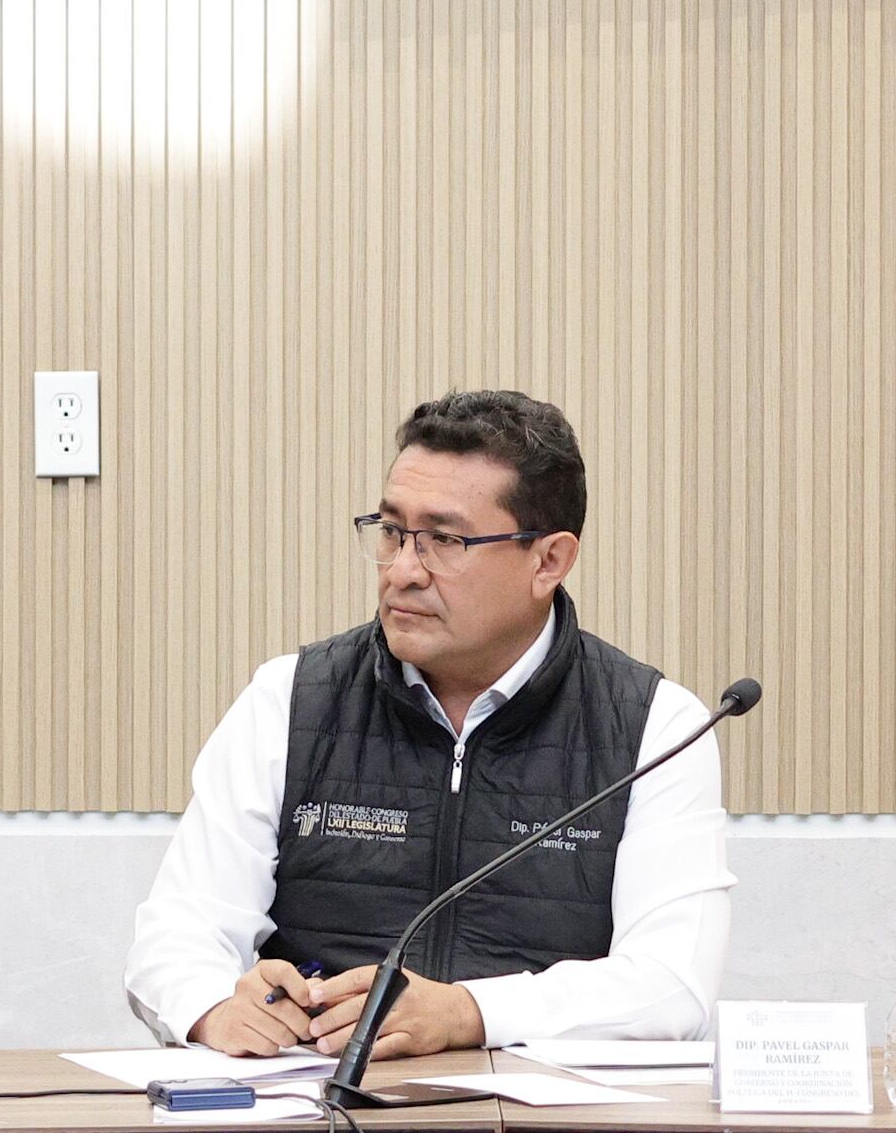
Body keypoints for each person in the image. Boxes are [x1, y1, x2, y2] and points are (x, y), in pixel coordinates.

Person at [125, 391, 733, 1060]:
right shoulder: (291, 700)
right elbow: (176, 935)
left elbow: (671, 986)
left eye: (445, 540)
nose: (403, 571)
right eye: (392, 531)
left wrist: (467, 1012)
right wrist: (213, 1004)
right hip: (318, 1103)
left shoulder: (653, 726)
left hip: (540, 1116)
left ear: (549, 561)